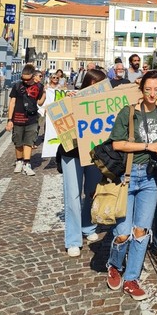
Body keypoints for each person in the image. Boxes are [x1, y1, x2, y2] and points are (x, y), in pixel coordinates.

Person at [106, 70, 157, 300]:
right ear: (141, 89)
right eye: (148, 89)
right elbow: (117, 144)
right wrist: (147, 146)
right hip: (128, 176)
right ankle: (114, 264)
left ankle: (131, 278)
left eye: (156, 89)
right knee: (123, 234)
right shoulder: (129, 112)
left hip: (151, 179)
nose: (152, 93)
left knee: (141, 231)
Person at [58, 69, 107, 257]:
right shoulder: (73, 98)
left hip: (95, 152)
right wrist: (68, 101)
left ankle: (88, 225)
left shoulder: (106, 102)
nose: (97, 89)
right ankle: (73, 239)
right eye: (94, 85)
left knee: (92, 191)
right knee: (72, 195)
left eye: (101, 85)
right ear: (87, 85)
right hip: (72, 153)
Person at [5, 63, 46, 176]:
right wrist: (9, 120)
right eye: (23, 78)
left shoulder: (39, 87)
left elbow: (40, 102)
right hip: (18, 118)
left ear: (33, 76)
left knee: (29, 141)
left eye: (27, 79)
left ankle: (27, 164)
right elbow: (12, 102)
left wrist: (44, 95)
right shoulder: (17, 86)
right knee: (18, 142)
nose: (25, 81)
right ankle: (19, 161)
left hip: (32, 118)